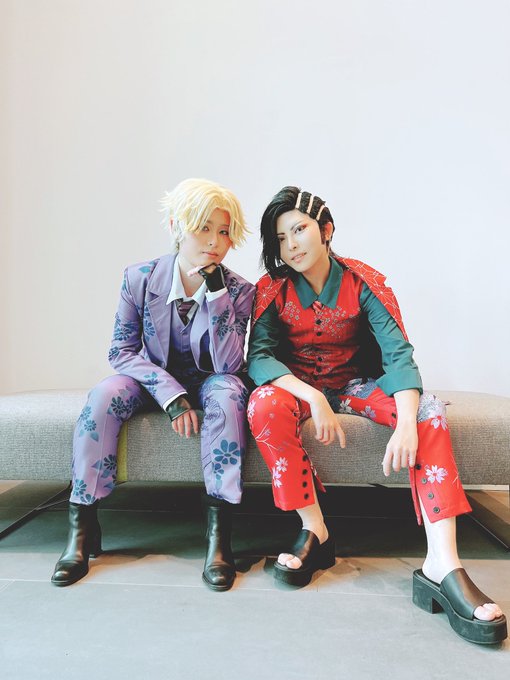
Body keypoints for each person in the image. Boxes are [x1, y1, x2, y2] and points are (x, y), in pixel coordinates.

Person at [246, 185, 507, 644]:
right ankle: (314, 529)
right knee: (263, 404)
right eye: (281, 238)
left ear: (326, 229)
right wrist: (312, 397)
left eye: (300, 230)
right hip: (299, 389)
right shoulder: (272, 289)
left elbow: (397, 353)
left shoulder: (364, 281)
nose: (291, 245)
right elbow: (260, 358)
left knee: (428, 411)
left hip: (355, 384)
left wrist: (406, 422)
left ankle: (442, 563)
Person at [52, 178, 255, 592]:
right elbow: (122, 350)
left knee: (229, 393)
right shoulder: (139, 278)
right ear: (176, 226)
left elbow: (230, 365)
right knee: (104, 394)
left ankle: (219, 537)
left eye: (224, 232)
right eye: (203, 228)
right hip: (154, 380)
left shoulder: (239, 291)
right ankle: (82, 526)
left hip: (212, 381)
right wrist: (171, 395)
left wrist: (216, 295)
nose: (214, 241)